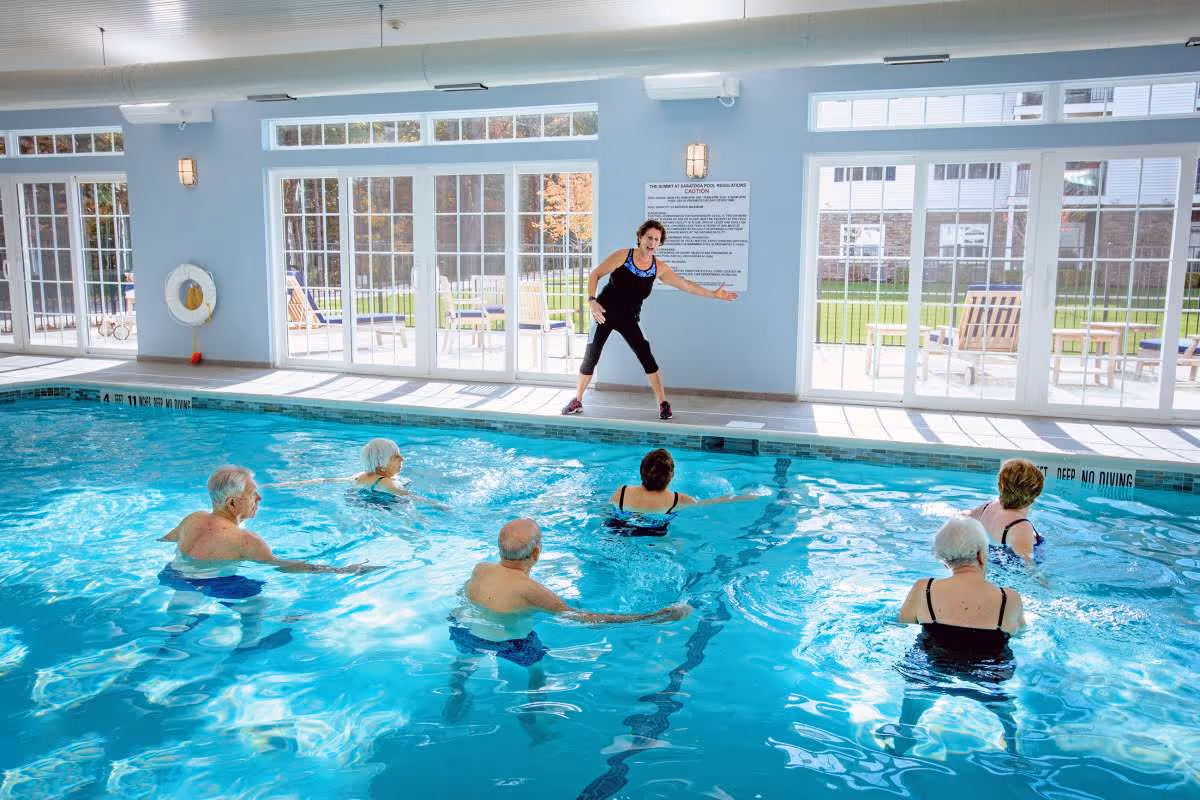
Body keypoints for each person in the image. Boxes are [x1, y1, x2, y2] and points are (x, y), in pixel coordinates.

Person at [158, 466, 379, 650]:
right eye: (253, 494)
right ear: (232, 503)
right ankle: (249, 644)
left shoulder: (192, 518)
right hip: (216, 583)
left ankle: (177, 628)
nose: (259, 498)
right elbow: (285, 567)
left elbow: (166, 540)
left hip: (173, 574)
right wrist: (341, 570)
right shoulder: (245, 539)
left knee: (185, 594)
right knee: (258, 604)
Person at [560, 220, 737, 421]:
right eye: (649, 237)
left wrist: (714, 294)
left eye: (656, 239)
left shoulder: (658, 268)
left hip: (630, 319)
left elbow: (685, 285)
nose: (652, 242)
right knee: (591, 356)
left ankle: (663, 403)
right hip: (604, 314)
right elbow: (596, 274)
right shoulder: (623, 256)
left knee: (647, 358)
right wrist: (592, 301)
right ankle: (577, 399)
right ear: (640, 238)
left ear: (660, 243)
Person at [450, 518, 691, 665]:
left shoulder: (480, 569)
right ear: (536, 553)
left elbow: (463, 597)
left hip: (465, 633)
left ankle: (458, 681)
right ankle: (535, 708)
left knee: (464, 661)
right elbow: (584, 620)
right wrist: (655, 617)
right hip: (511, 644)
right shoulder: (533, 592)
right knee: (536, 667)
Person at [887, 517, 1026, 754]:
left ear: (943, 559)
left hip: (934, 661)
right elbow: (1019, 631)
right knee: (1001, 702)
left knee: (914, 697)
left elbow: (904, 621)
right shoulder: (1008, 597)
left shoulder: (925, 588)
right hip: (990, 667)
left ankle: (905, 733)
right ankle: (1012, 743)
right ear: (983, 554)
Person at [607, 448, 758, 535]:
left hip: (617, 530)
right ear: (671, 476)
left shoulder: (622, 491)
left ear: (641, 471)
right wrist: (745, 496)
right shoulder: (678, 500)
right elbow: (712, 502)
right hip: (655, 535)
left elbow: (605, 511)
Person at [268, 438, 447, 509]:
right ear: (382, 463)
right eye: (396, 456)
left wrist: (285, 485)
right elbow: (410, 496)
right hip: (379, 506)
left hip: (359, 499)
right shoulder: (387, 483)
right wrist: (436, 504)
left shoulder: (361, 475)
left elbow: (327, 480)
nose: (403, 459)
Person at [968, 458, 1045, 564]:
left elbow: (965, 516)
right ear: (1035, 492)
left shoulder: (988, 507)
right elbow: (1030, 567)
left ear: (1001, 486)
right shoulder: (1021, 526)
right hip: (1010, 571)